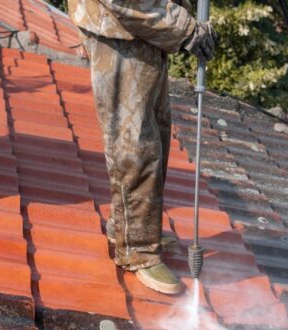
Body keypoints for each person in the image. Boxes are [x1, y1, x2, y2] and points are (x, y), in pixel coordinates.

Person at [68, 0, 216, 294]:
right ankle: (138, 249)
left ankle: (129, 228)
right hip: (121, 26)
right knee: (136, 142)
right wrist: (184, 29)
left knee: (155, 133)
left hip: (141, 25)